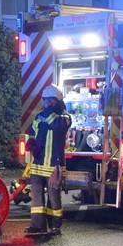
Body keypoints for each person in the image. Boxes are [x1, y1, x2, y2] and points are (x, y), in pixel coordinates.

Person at [24, 84, 72, 236]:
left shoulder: (64, 118)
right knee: (36, 198)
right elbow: (33, 131)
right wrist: (31, 141)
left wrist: (48, 111)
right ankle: (37, 225)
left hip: (53, 165)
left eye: (50, 100)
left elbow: (57, 127)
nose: (46, 103)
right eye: (45, 100)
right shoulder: (40, 116)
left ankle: (55, 226)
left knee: (54, 199)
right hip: (38, 164)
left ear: (57, 101)